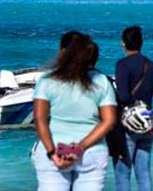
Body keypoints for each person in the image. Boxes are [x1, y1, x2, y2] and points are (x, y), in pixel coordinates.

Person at [32, 33, 117, 190]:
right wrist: (79, 148)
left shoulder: (47, 80)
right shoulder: (101, 81)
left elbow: (39, 119)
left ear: (61, 51)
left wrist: (52, 153)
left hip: (55, 149)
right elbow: (109, 120)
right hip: (91, 152)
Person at [114, 26, 153, 191]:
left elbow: (122, 96)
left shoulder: (122, 65)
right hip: (147, 125)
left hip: (127, 126)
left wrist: (133, 107)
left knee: (123, 173)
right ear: (141, 43)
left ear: (123, 44)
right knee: (143, 174)